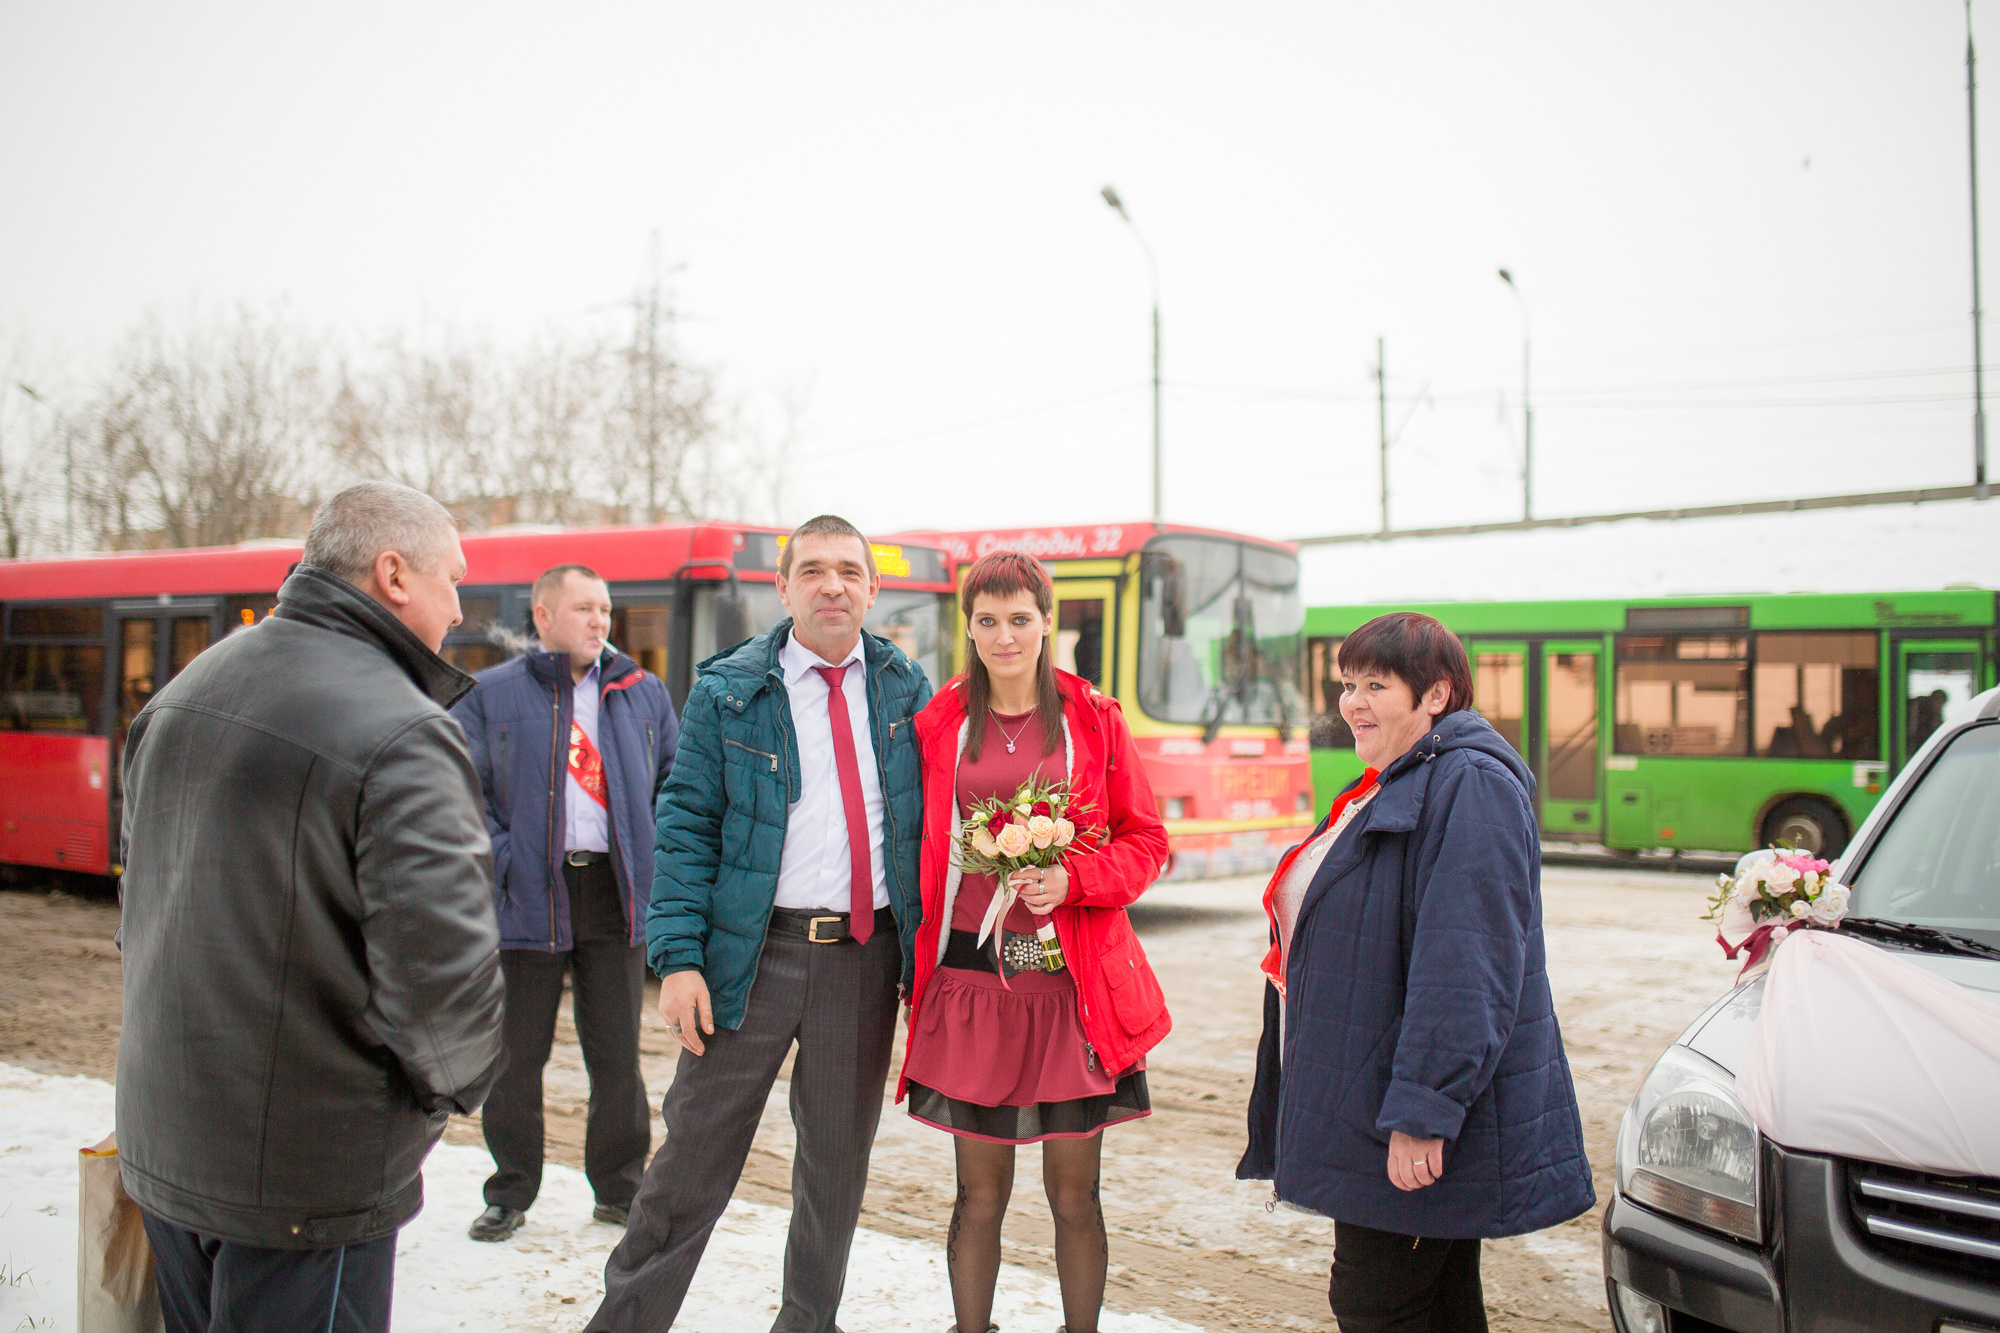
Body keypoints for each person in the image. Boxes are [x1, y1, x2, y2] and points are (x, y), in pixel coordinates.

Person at [114, 481, 505, 1333]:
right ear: (394, 573)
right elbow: (444, 982)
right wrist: (446, 1095)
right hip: (307, 1175)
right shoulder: (404, 728)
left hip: (168, 1140)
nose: (460, 611)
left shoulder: (189, 687)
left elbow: (137, 909)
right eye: (454, 581)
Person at [586, 514, 931, 1333]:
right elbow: (685, 825)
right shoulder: (727, 689)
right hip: (747, 957)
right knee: (689, 1163)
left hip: (863, 958)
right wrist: (676, 960)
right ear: (782, 587)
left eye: (849, 570)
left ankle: (808, 1323)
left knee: (835, 1170)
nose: (833, 585)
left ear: (873, 588)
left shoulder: (907, 689)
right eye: (812, 570)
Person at [1237, 612, 1594, 1332]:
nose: (1353, 702)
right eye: (1346, 684)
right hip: (1379, 1096)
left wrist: (1425, 1110)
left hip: (1409, 1112)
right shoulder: (1403, 779)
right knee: (1438, 1302)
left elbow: (1466, 962)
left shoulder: (1469, 785)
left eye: (1377, 684)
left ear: (1435, 695)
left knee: (1377, 1301)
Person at [899, 551, 1170, 1333]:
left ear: (1047, 621)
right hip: (973, 984)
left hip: (1069, 989)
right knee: (978, 1193)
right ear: (970, 627)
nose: (1005, 635)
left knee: (1074, 1193)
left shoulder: (1095, 718)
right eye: (987, 620)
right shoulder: (937, 724)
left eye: (1020, 618)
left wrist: (1073, 881)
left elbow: (1147, 840)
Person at [452, 563, 680, 1242]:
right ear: (543, 616)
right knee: (517, 1055)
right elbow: (461, 792)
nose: (599, 620)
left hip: (613, 891)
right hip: (528, 891)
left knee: (615, 1054)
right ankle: (510, 1190)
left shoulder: (644, 693)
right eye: (584, 608)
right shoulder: (490, 694)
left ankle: (619, 1189)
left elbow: (672, 786)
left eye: (605, 609)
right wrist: (507, 857)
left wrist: (652, 853)